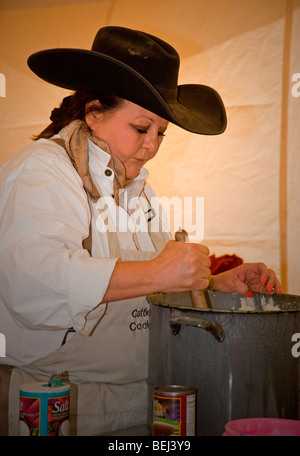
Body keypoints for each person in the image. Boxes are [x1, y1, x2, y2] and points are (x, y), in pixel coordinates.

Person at [0, 26, 282, 436]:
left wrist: (214, 282)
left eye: (161, 133)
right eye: (140, 128)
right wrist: (157, 273)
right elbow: (31, 286)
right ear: (94, 113)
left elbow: (143, 287)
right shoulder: (43, 171)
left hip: (138, 401)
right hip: (60, 405)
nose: (151, 145)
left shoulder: (136, 191)